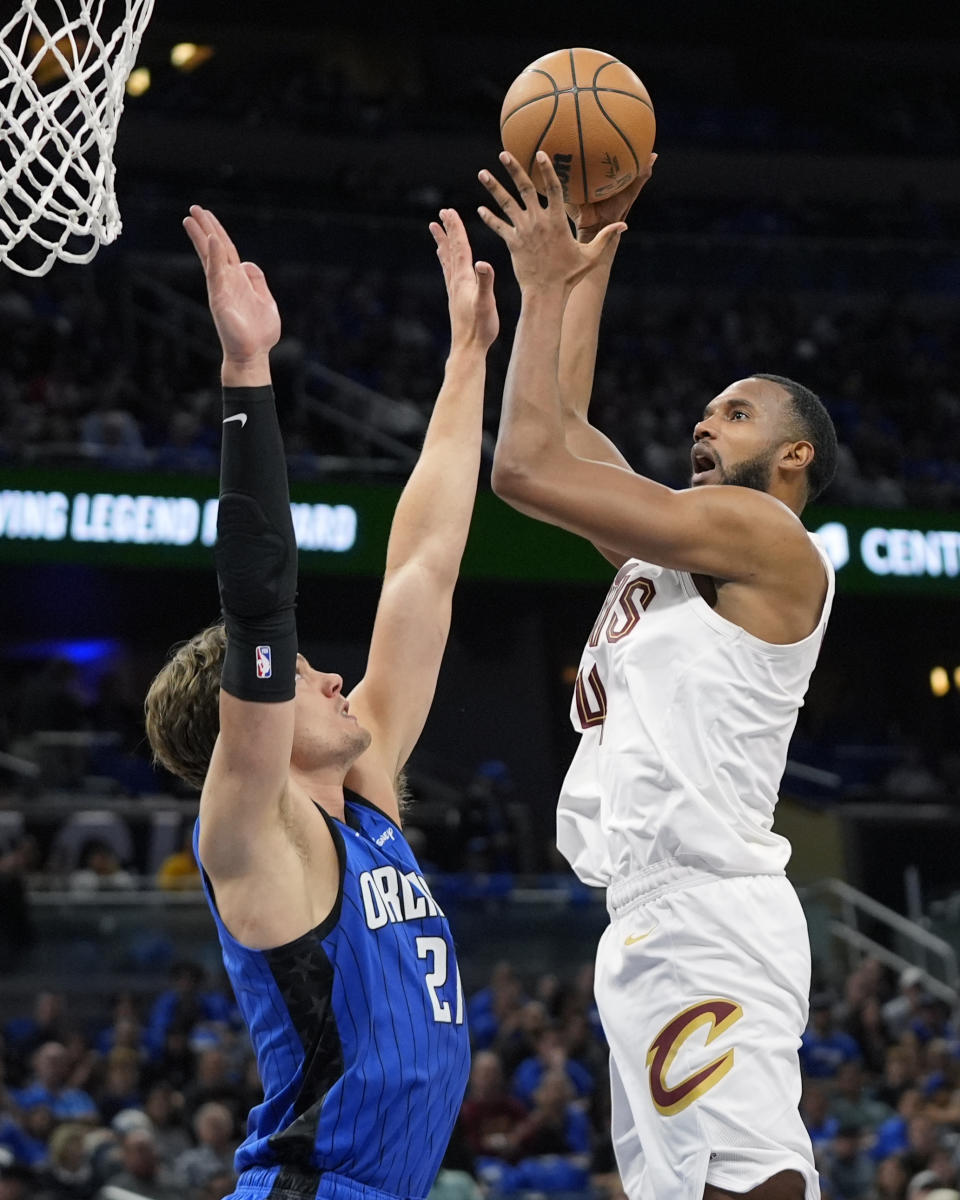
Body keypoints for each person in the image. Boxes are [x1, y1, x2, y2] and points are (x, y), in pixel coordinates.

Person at [478, 149, 839, 1200]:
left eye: (734, 413)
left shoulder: (766, 538)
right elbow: (561, 433)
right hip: (642, 918)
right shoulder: (674, 558)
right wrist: (585, 270)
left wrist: (538, 287)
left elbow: (523, 469)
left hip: (709, 913)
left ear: (794, 458)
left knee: (747, 1186)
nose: (701, 422)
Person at [144, 203, 497, 1200]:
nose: (335, 677)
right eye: (305, 676)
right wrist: (247, 371)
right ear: (242, 718)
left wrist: (467, 354)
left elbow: (425, 567)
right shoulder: (254, 828)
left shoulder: (367, 794)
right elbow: (259, 602)